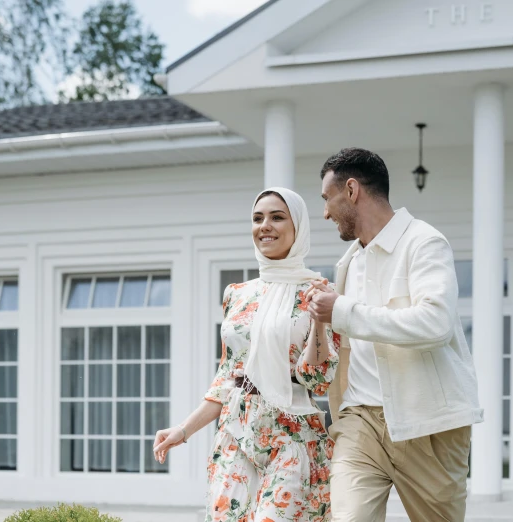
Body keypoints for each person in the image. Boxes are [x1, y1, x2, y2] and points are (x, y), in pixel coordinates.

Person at [305, 148, 482, 522]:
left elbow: (434, 323)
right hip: (360, 421)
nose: (325, 213)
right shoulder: (348, 262)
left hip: (428, 426)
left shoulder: (425, 243)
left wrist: (342, 311)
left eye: (327, 199)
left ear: (351, 190)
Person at [153, 187, 338, 522]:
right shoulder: (237, 295)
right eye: (257, 218)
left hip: (292, 437)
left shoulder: (318, 292)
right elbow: (228, 378)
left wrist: (319, 323)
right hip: (236, 432)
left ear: (298, 228)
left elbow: (319, 380)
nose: (264, 225)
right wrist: (182, 431)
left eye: (277, 217)